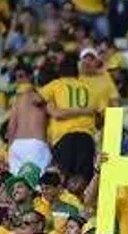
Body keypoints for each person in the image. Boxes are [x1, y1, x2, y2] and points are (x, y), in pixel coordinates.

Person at [39, 56, 100, 184]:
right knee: (84, 180)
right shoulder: (90, 88)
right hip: (86, 136)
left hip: (64, 137)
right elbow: (98, 115)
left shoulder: (56, 84)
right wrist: (83, 111)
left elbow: (36, 99)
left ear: (60, 73)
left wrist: (50, 105)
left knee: (65, 179)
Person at [7, 64, 51, 175]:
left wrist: (10, 148)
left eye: (21, 76)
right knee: (37, 185)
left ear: (30, 77)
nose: (19, 80)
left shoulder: (18, 99)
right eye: (16, 77)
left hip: (18, 144)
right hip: (37, 144)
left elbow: (11, 127)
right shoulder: (43, 96)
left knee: (18, 184)